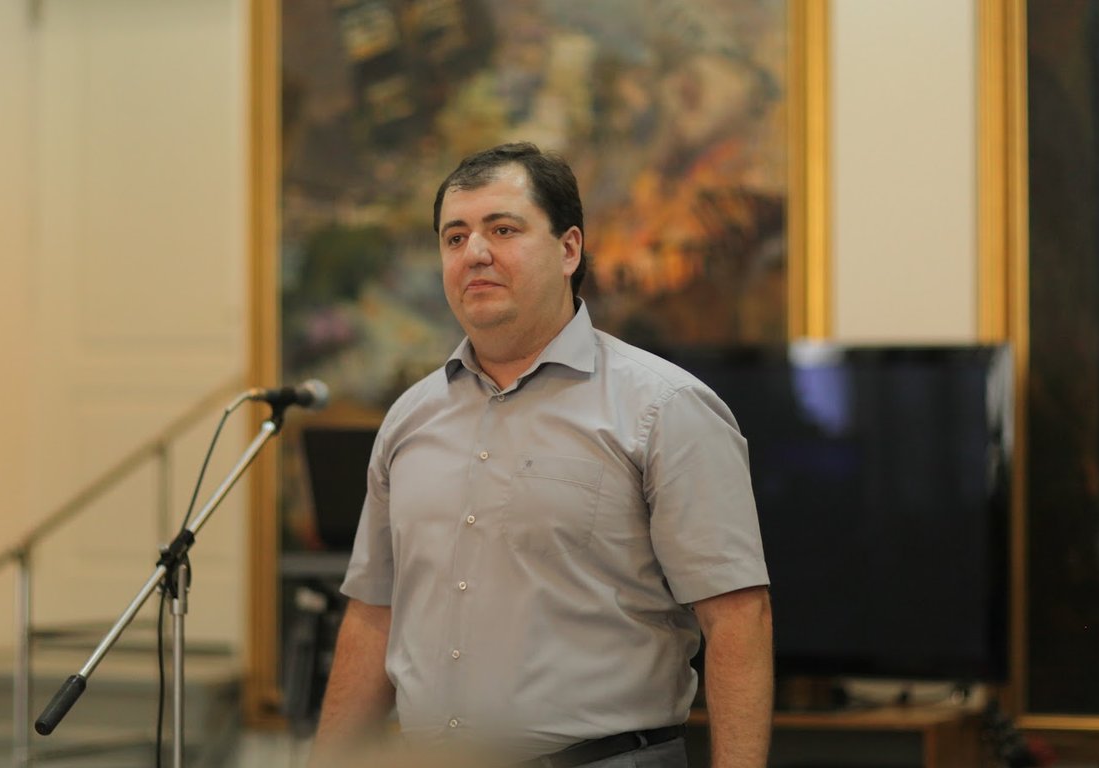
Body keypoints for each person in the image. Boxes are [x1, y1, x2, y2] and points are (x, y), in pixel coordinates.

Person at [310, 143, 773, 768]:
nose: (475, 253)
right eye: (455, 237)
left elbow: (739, 617)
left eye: (503, 229)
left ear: (569, 249)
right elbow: (374, 614)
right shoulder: (409, 419)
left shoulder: (665, 408)